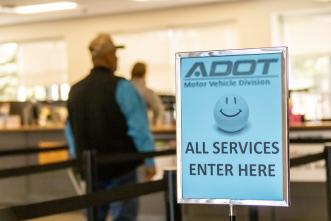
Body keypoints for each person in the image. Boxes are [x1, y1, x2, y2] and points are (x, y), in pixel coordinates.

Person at [67, 33, 156, 221]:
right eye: (115, 55)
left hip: (90, 169)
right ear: (109, 58)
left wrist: (79, 159)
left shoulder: (75, 90)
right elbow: (139, 128)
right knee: (123, 216)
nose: (117, 59)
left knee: (94, 215)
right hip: (121, 168)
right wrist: (149, 160)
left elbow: (70, 131)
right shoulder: (123, 87)